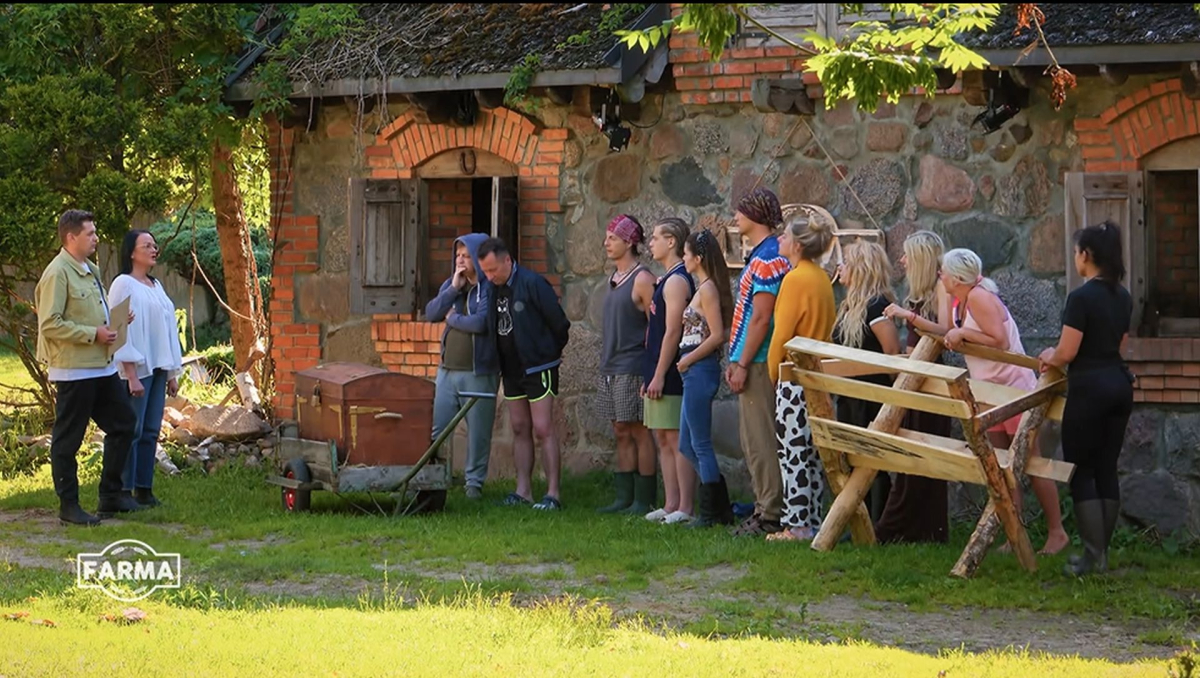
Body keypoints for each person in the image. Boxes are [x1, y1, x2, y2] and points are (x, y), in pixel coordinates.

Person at [940, 248, 1070, 556]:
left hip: (1012, 388)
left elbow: (999, 339)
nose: (940, 276)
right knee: (1001, 462)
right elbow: (956, 331)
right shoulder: (960, 299)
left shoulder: (979, 297)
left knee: (1030, 459)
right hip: (989, 389)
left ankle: (1057, 532)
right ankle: (1014, 532)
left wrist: (962, 333)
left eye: (943, 271)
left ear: (957, 278)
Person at [1039, 221, 1134, 576]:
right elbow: (1121, 346)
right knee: (1107, 468)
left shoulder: (1080, 298)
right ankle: (1102, 555)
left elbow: (1067, 351)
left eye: (1077, 251)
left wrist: (1049, 356)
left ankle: (1092, 557)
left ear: (1087, 255)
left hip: (1090, 388)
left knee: (1081, 471)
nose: (1075, 257)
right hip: (1119, 384)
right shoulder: (1123, 296)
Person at [35, 210, 142, 525]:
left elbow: (90, 311)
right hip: (74, 370)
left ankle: (111, 495)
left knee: (124, 424)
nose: (96, 238)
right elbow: (49, 324)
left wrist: (114, 320)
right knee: (68, 440)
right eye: (90, 233)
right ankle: (69, 506)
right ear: (71, 237)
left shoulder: (90, 269)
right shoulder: (57, 273)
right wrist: (92, 334)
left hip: (102, 367)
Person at [477, 237, 571, 511]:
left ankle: (553, 494)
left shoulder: (533, 283)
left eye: (493, 269)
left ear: (507, 260)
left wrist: (548, 354)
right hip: (511, 369)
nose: (489, 276)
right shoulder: (492, 288)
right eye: (485, 271)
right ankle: (523, 491)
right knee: (519, 427)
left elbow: (559, 324)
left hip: (538, 367)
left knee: (543, 428)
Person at [764, 210, 837, 542]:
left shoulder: (794, 280)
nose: (779, 239)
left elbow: (782, 334)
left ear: (797, 244)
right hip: (819, 376)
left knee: (792, 452)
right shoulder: (821, 278)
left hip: (794, 377)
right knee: (813, 453)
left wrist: (772, 371)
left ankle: (796, 525)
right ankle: (812, 519)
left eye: (785, 235)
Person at [880, 230, 952, 543]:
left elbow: (946, 330)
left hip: (931, 380)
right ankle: (910, 528)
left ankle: (913, 527)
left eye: (907, 255)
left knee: (926, 452)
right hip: (915, 378)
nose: (902, 260)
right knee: (910, 452)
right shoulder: (922, 292)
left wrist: (907, 315)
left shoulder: (941, 287)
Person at [726, 187, 791, 536]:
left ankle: (770, 513)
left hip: (759, 359)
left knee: (760, 439)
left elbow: (762, 318)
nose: (736, 217)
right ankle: (765, 506)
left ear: (755, 216)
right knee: (755, 438)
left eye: (741, 211)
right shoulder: (767, 253)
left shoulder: (767, 258)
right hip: (754, 357)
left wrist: (742, 362)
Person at [108, 229, 183, 509]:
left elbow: (166, 329)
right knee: (133, 429)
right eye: (147, 246)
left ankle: (144, 488)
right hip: (137, 369)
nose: (154, 250)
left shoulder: (156, 285)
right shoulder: (123, 284)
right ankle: (123, 490)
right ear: (131, 252)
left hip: (158, 367)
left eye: (154, 245)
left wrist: (172, 373)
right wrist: (130, 374)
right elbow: (118, 330)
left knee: (151, 430)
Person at [424, 234, 501, 500]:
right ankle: (432, 480)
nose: (460, 260)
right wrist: (452, 291)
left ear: (478, 259)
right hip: (447, 372)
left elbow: (481, 323)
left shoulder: (489, 287)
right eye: (457, 255)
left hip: (479, 373)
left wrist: (453, 318)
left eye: (466, 255)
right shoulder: (452, 284)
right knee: (437, 430)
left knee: (478, 433)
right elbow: (431, 313)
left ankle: (473, 486)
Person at [832, 240, 902, 522]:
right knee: (851, 459)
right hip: (849, 394)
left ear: (861, 269)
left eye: (846, 263)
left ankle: (878, 523)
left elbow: (892, 352)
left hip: (871, 394)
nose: (840, 267)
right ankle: (859, 522)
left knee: (872, 462)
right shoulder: (850, 305)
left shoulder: (876, 306)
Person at [595, 215, 658, 515]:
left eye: (613, 238)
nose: (606, 243)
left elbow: (656, 326)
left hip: (632, 365)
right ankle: (624, 497)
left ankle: (644, 499)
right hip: (610, 365)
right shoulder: (613, 279)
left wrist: (651, 370)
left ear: (629, 242)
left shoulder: (643, 279)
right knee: (620, 429)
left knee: (638, 430)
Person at [678, 229, 736, 528]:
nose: (683, 258)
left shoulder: (709, 289)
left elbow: (716, 336)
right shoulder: (703, 288)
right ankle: (720, 506)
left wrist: (688, 359)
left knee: (699, 443)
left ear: (698, 258)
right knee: (686, 444)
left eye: (686, 254)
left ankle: (711, 513)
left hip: (700, 369)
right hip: (693, 371)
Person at [642, 217, 697, 524]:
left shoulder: (677, 281)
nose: (651, 243)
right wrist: (650, 372)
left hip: (672, 370)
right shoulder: (665, 279)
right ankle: (670, 502)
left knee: (676, 438)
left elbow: (673, 330)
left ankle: (686, 507)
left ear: (671, 241)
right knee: (662, 437)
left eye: (655, 238)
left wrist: (661, 373)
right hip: (656, 367)